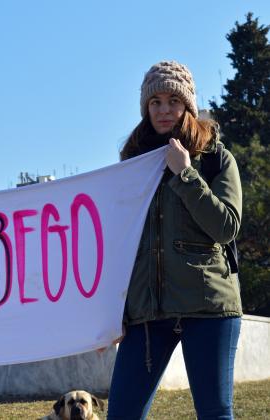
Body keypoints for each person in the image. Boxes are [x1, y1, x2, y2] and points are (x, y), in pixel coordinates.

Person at [108, 61, 243, 419]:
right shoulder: (131, 164)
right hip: (147, 314)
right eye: (155, 102)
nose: (164, 109)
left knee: (215, 413)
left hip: (209, 307)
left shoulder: (216, 159)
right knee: (121, 414)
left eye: (173, 100)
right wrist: (112, 311)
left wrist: (185, 173)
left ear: (188, 106)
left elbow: (226, 226)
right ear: (145, 108)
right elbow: (120, 242)